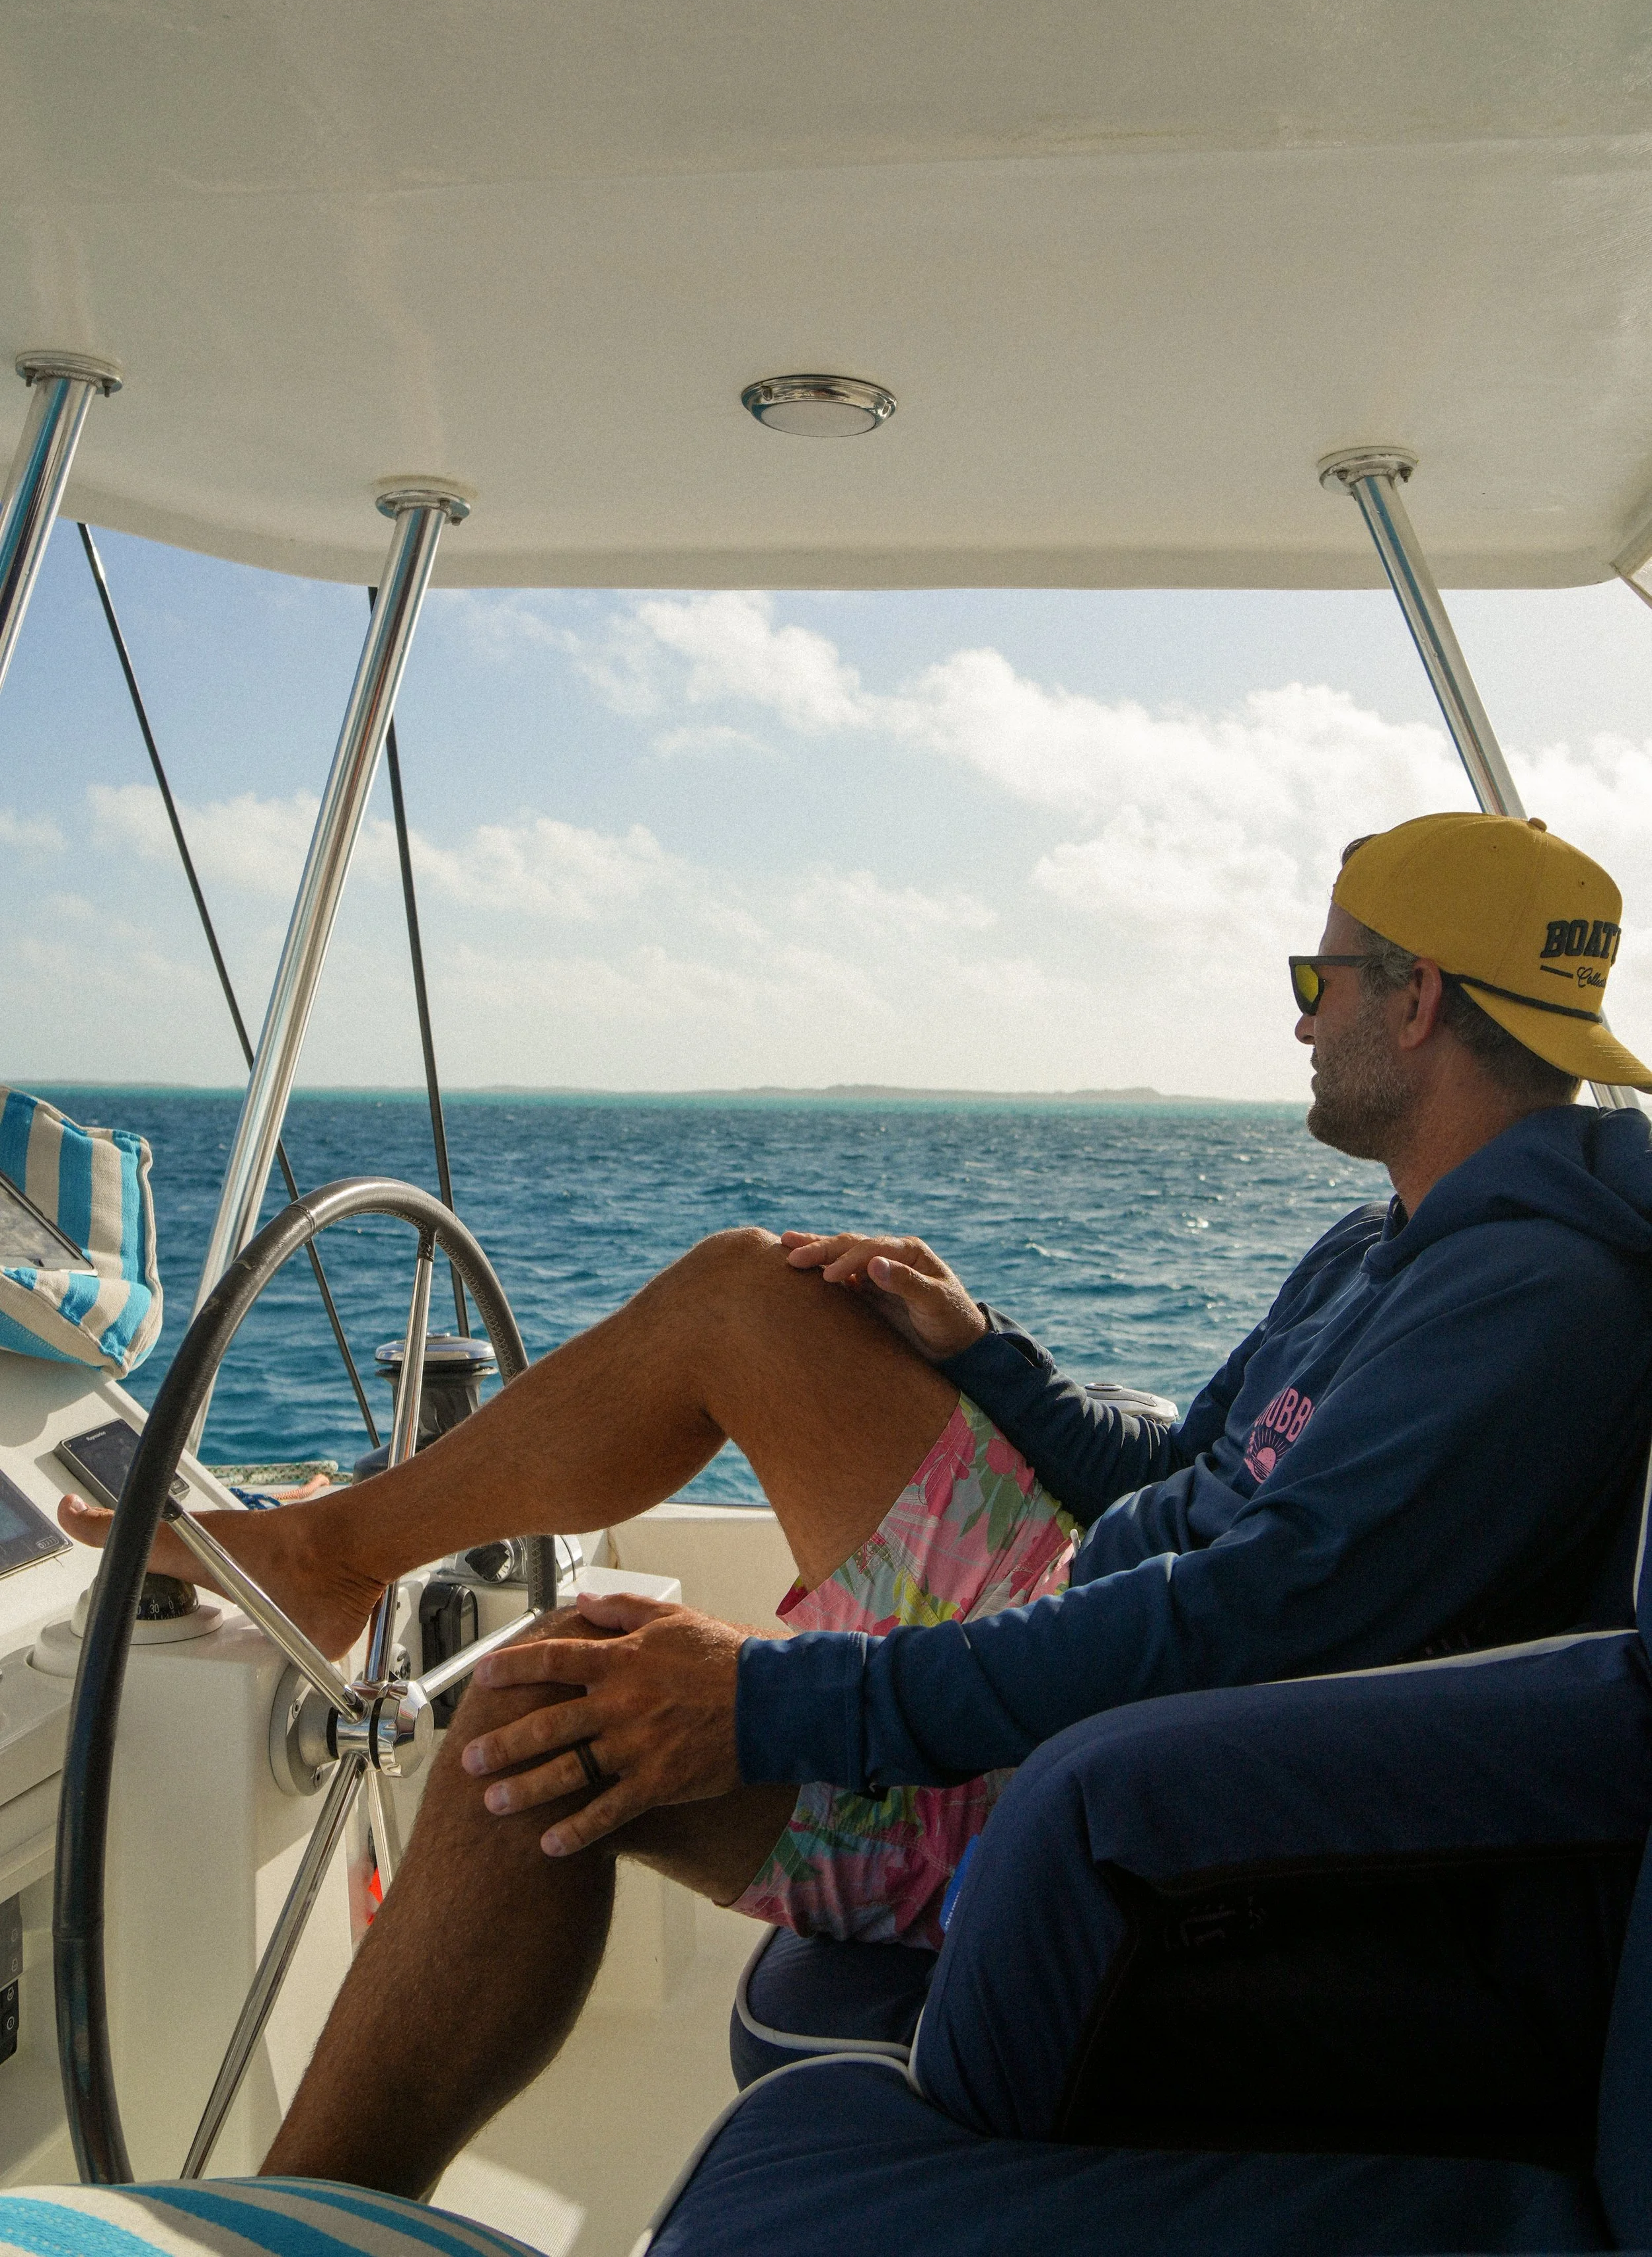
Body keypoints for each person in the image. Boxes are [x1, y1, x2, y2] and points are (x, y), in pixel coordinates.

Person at [60, 809, 1652, 2196]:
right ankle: (327, 1555)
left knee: (538, 1718)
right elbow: (1185, 1481)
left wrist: (770, 1699)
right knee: (747, 1296)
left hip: (1137, 1785)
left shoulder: (1531, 1307)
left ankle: (302, 2216)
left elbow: (1235, 1630)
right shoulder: (1395, 1243)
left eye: (1320, 981)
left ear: (1418, 998)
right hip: (1091, 1636)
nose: (1300, 1024)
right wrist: (991, 1360)